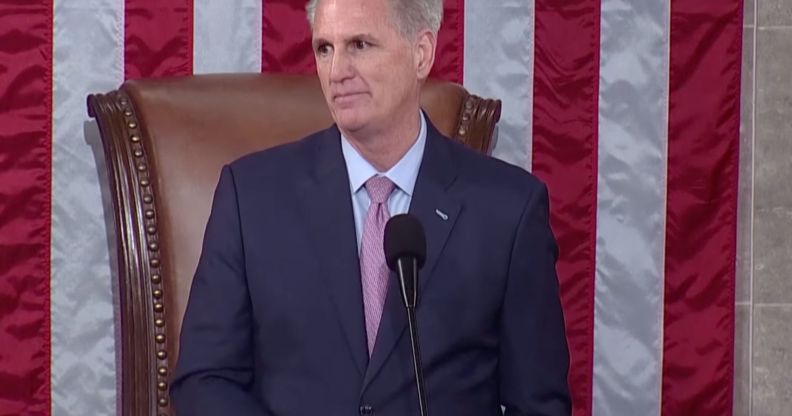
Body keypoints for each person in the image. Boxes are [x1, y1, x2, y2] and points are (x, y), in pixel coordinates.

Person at [170, 0, 571, 414]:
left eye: (360, 45)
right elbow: (205, 380)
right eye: (324, 48)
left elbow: (538, 404)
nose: (337, 71)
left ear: (421, 53)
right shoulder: (251, 197)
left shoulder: (507, 210)